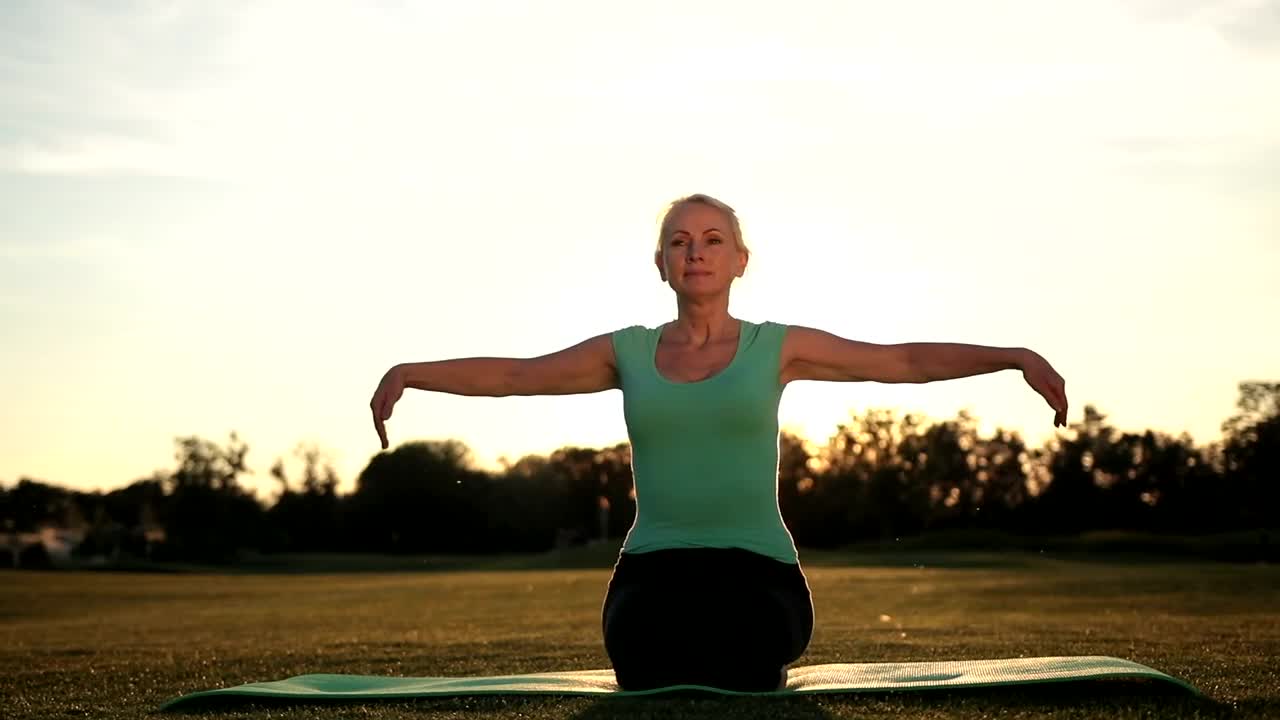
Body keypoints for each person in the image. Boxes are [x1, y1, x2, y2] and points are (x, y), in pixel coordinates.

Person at [368, 193, 1069, 692]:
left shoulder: (777, 348)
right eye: (679, 241)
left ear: (739, 260)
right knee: (645, 664)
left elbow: (903, 361)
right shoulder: (628, 352)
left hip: (756, 567)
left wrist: (1011, 355)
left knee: (743, 658)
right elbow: (517, 378)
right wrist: (411, 373)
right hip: (654, 567)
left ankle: (749, 648)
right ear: (661, 264)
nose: (694, 252)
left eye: (711, 240)